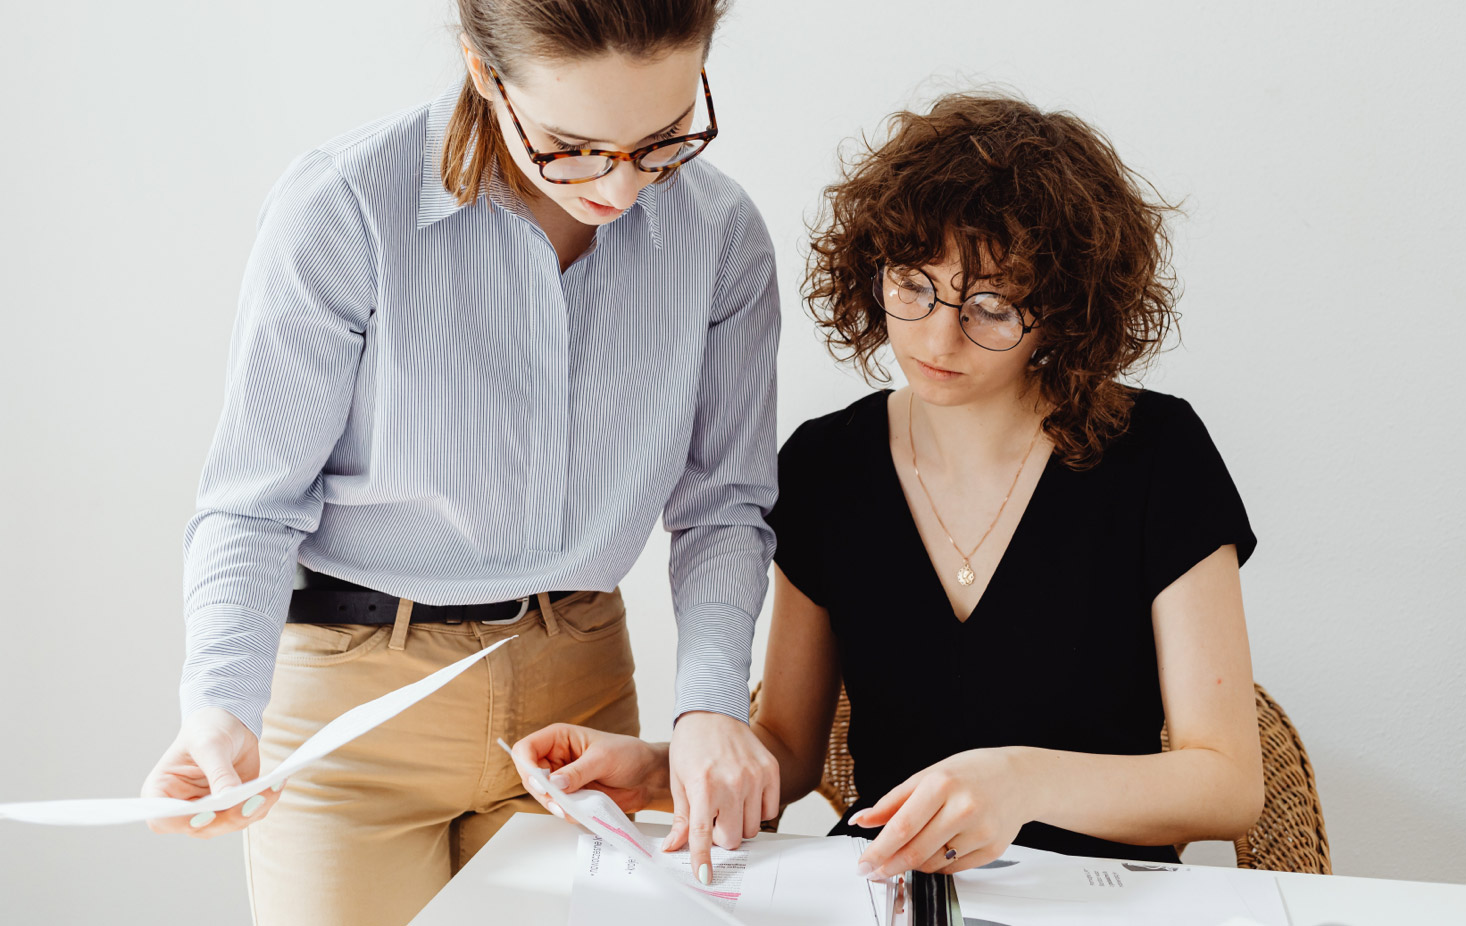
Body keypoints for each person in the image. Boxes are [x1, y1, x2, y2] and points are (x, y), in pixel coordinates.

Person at [513, 90, 1266, 881]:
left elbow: (1227, 785)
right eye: (912, 285)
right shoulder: (828, 464)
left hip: (1099, 894)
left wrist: (1020, 781)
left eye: (991, 305)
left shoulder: (1155, 454)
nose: (938, 336)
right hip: (891, 888)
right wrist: (655, 770)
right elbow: (788, 754)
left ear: (1065, 310)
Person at [139, 2, 781, 923]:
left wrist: (710, 707)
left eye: (663, 139)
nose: (622, 186)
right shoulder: (347, 205)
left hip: (580, 707)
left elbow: (722, 506)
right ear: (486, 72)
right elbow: (254, 502)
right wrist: (220, 703)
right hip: (351, 715)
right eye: (571, 147)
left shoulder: (719, 233)